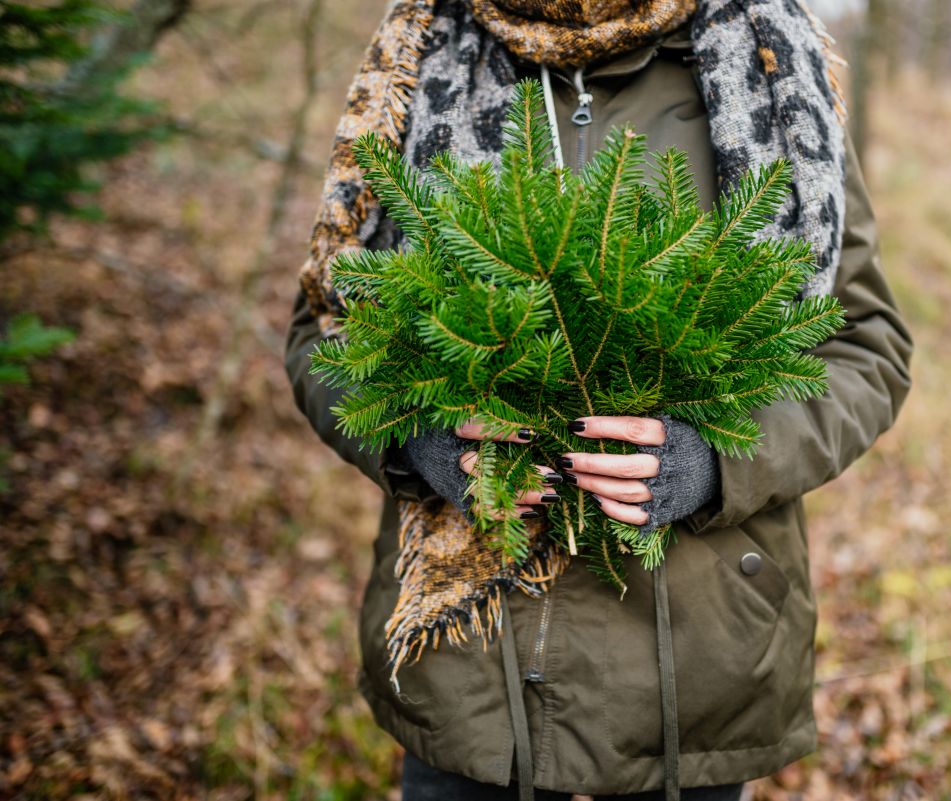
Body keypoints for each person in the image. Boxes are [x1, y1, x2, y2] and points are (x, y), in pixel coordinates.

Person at [284, 1, 913, 799]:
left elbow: (866, 346)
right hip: (472, 661)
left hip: (696, 657)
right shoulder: (423, 55)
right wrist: (412, 435)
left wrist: (718, 459)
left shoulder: (768, 65)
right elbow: (323, 325)